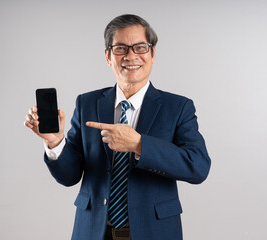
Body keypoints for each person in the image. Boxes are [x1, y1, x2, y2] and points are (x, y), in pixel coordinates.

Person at [24, 14, 211, 240]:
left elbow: (198, 167)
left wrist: (140, 145)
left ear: (152, 54)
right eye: (120, 48)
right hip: (93, 231)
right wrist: (54, 142)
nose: (131, 56)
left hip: (154, 231)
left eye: (140, 47)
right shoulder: (87, 103)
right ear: (108, 56)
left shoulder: (178, 107)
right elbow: (69, 176)